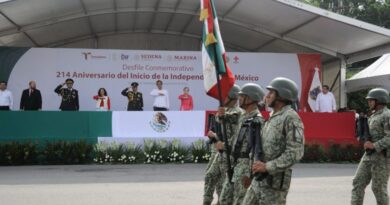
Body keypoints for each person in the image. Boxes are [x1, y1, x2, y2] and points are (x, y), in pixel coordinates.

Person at [243, 77, 304, 205]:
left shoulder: (291, 118)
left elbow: (295, 153)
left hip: (273, 187)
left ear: (282, 96)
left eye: (271, 93)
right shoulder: (272, 117)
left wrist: (267, 167)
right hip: (258, 181)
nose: (267, 96)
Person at [219, 83, 265, 205]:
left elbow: (258, 150)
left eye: (242, 96)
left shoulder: (257, 120)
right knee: (224, 199)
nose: (238, 99)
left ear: (250, 98)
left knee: (239, 201)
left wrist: (250, 175)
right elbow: (225, 119)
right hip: (235, 164)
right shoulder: (243, 115)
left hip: (245, 166)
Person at [203, 85, 243, 205]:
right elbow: (221, 130)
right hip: (220, 153)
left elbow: (236, 134)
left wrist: (222, 115)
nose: (222, 99)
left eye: (225, 96)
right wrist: (215, 136)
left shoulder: (238, 113)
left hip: (231, 155)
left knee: (225, 184)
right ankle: (206, 201)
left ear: (233, 97)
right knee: (210, 175)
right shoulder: (223, 111)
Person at [351, 88, 390, 205]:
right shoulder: (372, 115)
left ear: (380, 101)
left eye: (371, 100)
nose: (368, 102)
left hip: (382, 158)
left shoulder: (387, 115)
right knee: (357, 183)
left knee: (378, 189)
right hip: (368, 155)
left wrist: (374, 145)